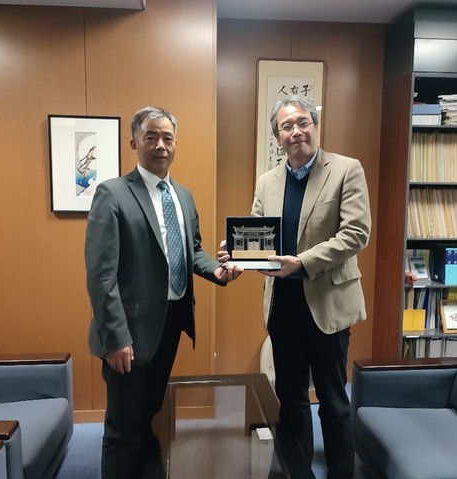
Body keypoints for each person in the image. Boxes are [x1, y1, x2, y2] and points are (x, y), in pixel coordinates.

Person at [85, 106, 240, 479]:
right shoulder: (112, 194)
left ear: (175, 143)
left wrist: (218, 270)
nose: (160, 145)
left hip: (170, 324)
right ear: (134, 143)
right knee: (123, 429)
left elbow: (192, 251)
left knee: (152, 418)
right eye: (151, 136)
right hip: (128, 333)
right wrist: (116, 338)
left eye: (167, 138)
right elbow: (101, 276)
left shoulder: (182, 196)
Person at [225, 95, 371, 478]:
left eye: (302, 122)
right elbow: (257, 234)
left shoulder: (346, 169)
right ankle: (298, 472)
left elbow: (356, 233)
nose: (296, 132)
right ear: (278, 137)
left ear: (315, 126)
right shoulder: (267, 181)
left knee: (333, 401)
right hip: (283, 307)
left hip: (328, 305)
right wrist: (238, 253)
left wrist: (301, 262)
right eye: (286, 126)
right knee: (290, 400)